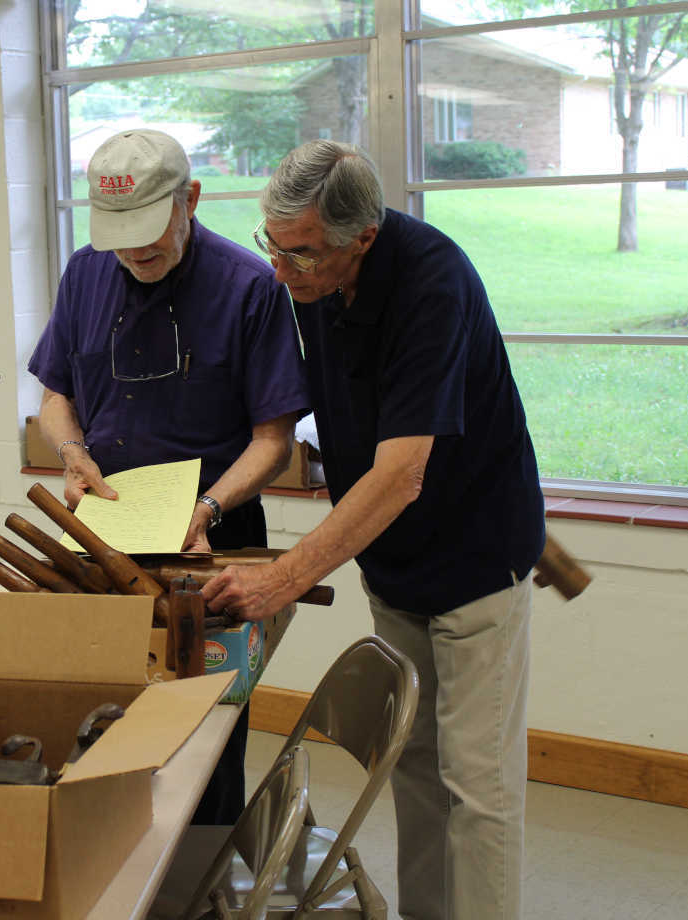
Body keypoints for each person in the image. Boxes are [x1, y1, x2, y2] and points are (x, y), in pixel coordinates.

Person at [201, 140, 545, 920]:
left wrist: (284, 578)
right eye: (273, 247)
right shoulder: (311, 278)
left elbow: (401, 473)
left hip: (476, 561)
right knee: (417, 767)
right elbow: (341, 415)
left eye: (302, 255)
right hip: (393, 563)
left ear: (363, 237)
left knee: (479, 784)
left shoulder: (435, 282)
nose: (282, 272)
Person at [27, 129, 310, 824]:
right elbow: (56, 395)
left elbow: (274, 440)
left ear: (191, 198)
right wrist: (71, 454)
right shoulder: (85, 273)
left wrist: (211, 505)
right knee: (98, 712)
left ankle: (202, 870)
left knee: (205, 730)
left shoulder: (250, 287)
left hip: (210, 534)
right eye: (119, 237)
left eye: (150, 234)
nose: (134, 253)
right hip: (106, 529)